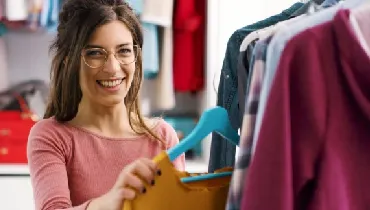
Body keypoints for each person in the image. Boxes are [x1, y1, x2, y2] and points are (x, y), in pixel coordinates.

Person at [27, 0, 185, 209]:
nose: (112, 67)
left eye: (124, 51)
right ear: (69, 62)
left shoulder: (163, 138)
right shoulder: (51, 136)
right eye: (95, 53)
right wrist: (112, 201)